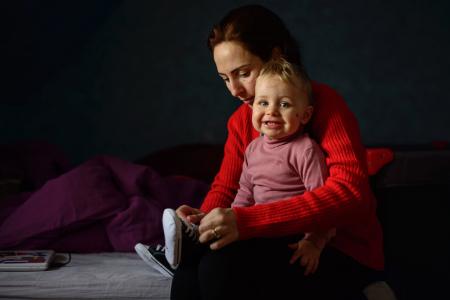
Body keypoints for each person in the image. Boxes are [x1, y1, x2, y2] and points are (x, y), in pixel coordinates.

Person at [139, 4, 385, 300]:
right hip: (273, 238)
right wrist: (203, 221)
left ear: (276, 56)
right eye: (224, 78)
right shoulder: (241, 121)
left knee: (218, 268)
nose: (234, 90)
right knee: (191, 268)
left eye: (243, 73)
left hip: (332, 247)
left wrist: (246, 221)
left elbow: (349, 193)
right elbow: (227, 186)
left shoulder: (323, 104)